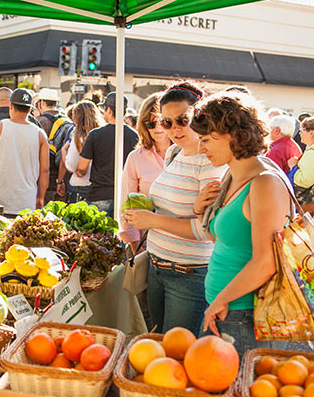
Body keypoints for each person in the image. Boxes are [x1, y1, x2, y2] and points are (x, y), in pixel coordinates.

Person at [190, 91, 292, 355]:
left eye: (206, 140)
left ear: (232, 134)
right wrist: (200, 210)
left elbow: (265, 262)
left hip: (243, 313)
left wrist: (221, 300)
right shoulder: (233, 175)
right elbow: (228, 241)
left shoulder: (264, 182)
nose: (201, 150)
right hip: (224, 307)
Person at [123, 81, 225, 336]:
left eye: (182, 120)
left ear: (200, 116)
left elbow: (208, 232)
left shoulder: (211, 161)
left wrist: (152, 221)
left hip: (188, 274)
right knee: (158, 342)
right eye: (167, 122)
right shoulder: (174, 153)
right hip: (157, 267)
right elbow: (175, 207)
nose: (174, 129)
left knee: (176, 354)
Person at [0, 88, 49, 215]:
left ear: (11, 106)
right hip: (27, 200)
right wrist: (40, 197)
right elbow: (45, 170)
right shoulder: (40, 134)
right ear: (30, 109)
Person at [119, 92, 171, 251]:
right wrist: (136, 246)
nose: (157, 128)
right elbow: (126, 208)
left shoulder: (187, 155)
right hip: (147, 245)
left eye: (161, 122)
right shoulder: (136, 158)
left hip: (183, 245)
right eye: (150, 124)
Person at [76, 92, 139, 217]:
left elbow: (82, 167)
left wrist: (79, 172)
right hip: (125, 196)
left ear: (109, 110)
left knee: (97, 235)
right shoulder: (134, 135)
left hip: (99, 195)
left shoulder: (95, 134)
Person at [34, 88, 73, 203]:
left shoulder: (37, 122)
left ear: (41, 103)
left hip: (42, 181)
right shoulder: (68, 122)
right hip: (63, 180)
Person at [63, 101, 104, 203]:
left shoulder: (79, 137)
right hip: (99, 186)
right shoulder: (103, 134)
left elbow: (70, 166)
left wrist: (64, 151)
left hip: (80, 186)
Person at [288, 117, 314, 211]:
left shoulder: (312, 153)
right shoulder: (310, 150)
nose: (300, 133)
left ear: (311, 133)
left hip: (304, 203)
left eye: (302, 130)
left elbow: (305, 181)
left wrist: (293, 166)